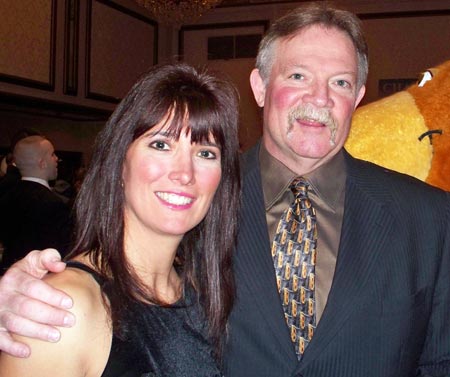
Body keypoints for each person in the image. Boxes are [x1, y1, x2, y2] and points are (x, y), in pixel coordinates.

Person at [0, 4, 449, 377]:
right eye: (298, 77)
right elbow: (108, 280)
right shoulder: (197, 202)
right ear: (259, 86)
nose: (320, 98)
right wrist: (16, 291)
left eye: (340, 82)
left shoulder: (429, 217)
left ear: (358, 96)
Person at [0, 63, 240, 376]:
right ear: (120, 166)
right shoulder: (65, 308)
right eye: (160, 145)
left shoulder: (199, 288)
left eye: (206, 153)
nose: (185, 173)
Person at [0, 135, 73, 271]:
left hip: (8, 270)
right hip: (40, 277)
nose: (57, 159)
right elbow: (61, 254)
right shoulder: (54, 205)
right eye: (52, 154)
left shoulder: (6, 196)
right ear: (42, 163)